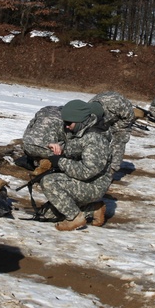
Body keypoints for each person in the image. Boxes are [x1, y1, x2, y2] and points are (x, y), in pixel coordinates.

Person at [38, 99, 113, 231]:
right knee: (46, 214)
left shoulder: (95, 139)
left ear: (80, 120)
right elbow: (73, 147)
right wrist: (58, 148)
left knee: (49, 182)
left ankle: (74, 217)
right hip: (81, 181)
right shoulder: (80, 131)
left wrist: (60, 161)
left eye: (68, 123)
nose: (66, 126)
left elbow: (87, 171)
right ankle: (92, 209)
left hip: (93, 185)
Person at [89, 90, 136, 176]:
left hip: (121, 121)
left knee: (119, 141)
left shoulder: (117, 104)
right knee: (97, 138)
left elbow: (130, 118)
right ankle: (96, 164)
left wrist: (117, 127)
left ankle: (111, 170)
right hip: (104, 120)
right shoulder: (90, 105)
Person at [20, 105, 65, 174]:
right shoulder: (66, 116)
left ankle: (36, 159)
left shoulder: (44, 109)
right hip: (47, 151)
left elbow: (30, 127)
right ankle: (46, 164)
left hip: (27, 146)